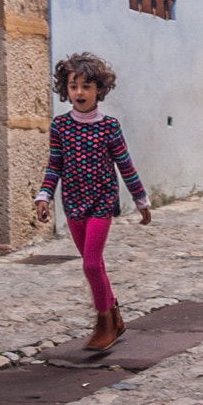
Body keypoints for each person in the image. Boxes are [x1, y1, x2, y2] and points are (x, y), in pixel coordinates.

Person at [34, 52, 151, 350]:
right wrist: (44, 195)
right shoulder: (60, 126)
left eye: (87, 86)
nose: (80, 92)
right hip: (73, 202)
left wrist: (141, 200)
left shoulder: (109, 127)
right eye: (74, 86)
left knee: (89, 263)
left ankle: (104, 323)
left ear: (99, 89)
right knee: (94, 263)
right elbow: (55, 165)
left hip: (101, 201)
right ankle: (115, 315)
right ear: (66, 89)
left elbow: (125, 164)